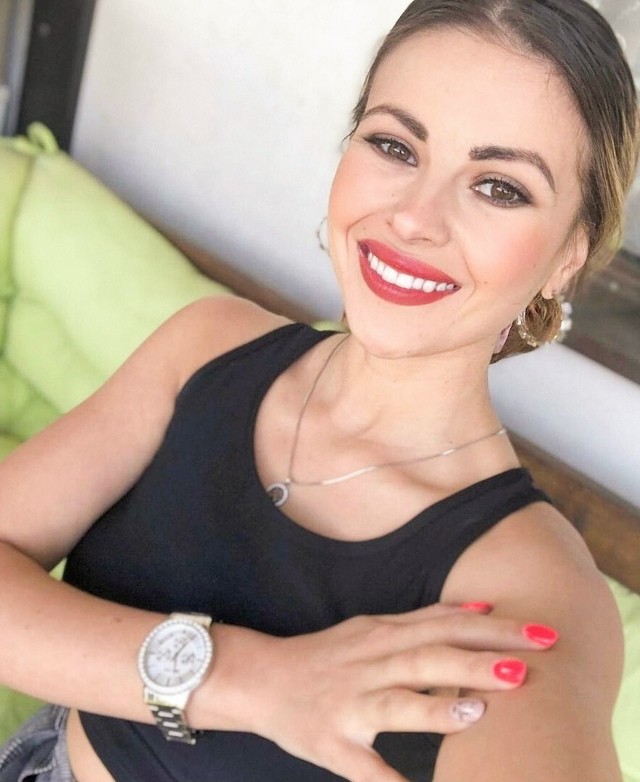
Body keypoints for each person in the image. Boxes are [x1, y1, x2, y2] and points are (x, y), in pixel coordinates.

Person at [0, 0, 638, 780]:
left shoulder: (533, 585)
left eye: (500, 187)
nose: (414, 217)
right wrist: (254, 681)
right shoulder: (208, 347)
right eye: (395, 145)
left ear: (568, 255)